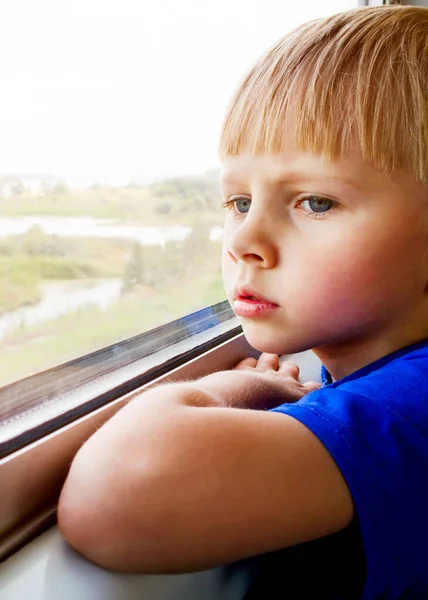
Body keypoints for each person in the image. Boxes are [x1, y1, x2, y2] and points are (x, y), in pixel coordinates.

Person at [58, 5, 428, 599]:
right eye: (237, 203)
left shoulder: (412, 405)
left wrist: (253, 390)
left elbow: (122, 493)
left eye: (315, 202)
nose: (244, 242)